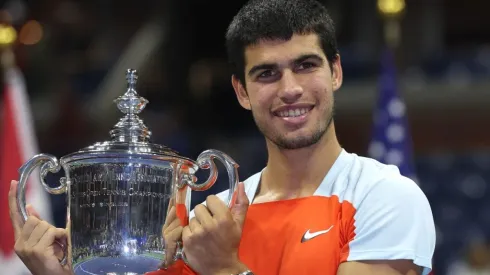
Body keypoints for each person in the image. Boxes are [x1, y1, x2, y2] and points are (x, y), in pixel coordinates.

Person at [8, 0, 436, 274]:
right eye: (266, 73)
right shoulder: (206, 226)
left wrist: (228, 271)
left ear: (336, 72)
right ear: (241, 92)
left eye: (306, 65)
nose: (289, 88)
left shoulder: (387, 197)